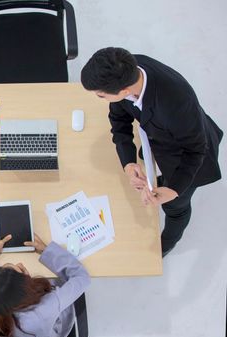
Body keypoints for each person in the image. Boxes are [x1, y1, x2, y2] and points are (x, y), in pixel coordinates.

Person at [81, 47, 223, 257]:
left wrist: (174, 190)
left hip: (191, 153)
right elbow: (119, 121)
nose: (98, 98)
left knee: (176, 208)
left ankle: (168, 243)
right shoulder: (129, 68)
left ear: (124, 91)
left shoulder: (175, 105)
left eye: (101, 96)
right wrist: (129, 163)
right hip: (164, 135)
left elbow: (195, 151)